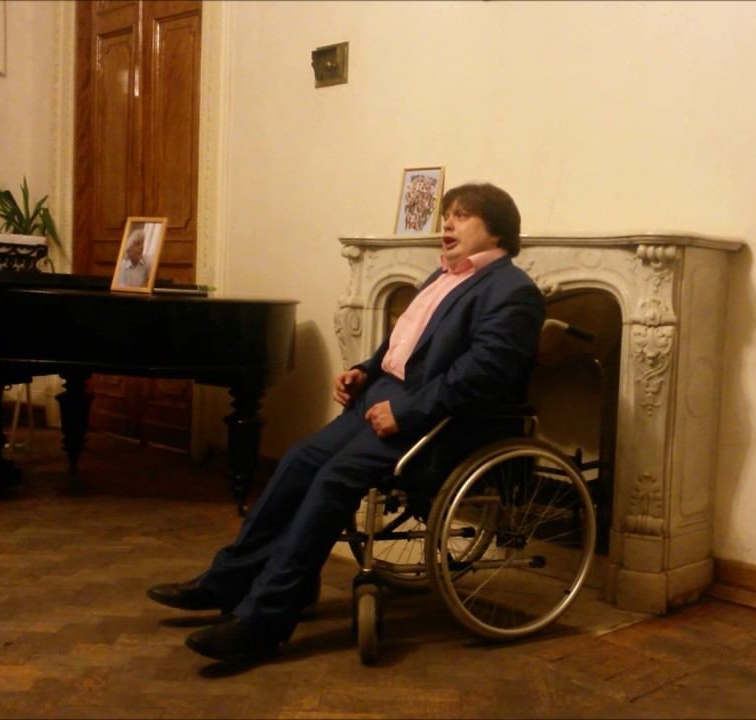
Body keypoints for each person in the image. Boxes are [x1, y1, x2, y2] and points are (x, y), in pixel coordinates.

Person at [146, 182, 545, 663]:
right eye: (446, 214)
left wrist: (406, 412)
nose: (447, 223)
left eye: (461, 215)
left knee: (334, 480)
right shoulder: (440, 277)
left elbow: (483, 375)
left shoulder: (512, 290)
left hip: (437, 422)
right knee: (297, 462)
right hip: (382, 399)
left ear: (496, 230)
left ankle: (264, 620)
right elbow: (403, 347)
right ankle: (226, 581)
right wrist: (364, 372)